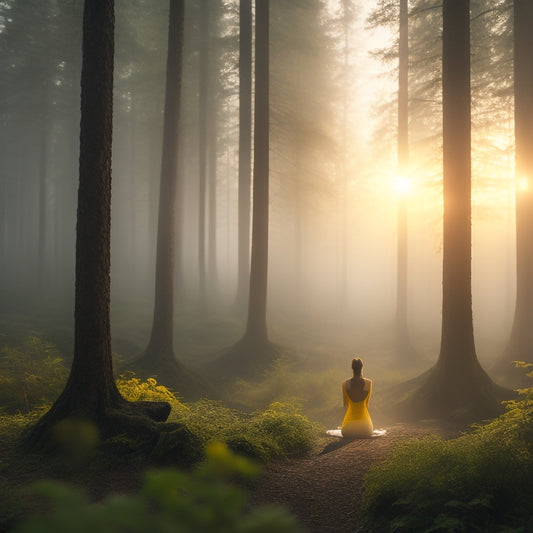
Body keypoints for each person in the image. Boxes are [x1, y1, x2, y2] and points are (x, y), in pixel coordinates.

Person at [341, 357, 374, 438]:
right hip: (366, 429)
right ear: (362, 367)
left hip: (348, 429)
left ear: (352, 368)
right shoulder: (368, 383)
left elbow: (345, 405)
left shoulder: (345, 384)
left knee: (345, 428)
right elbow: (366, 405)